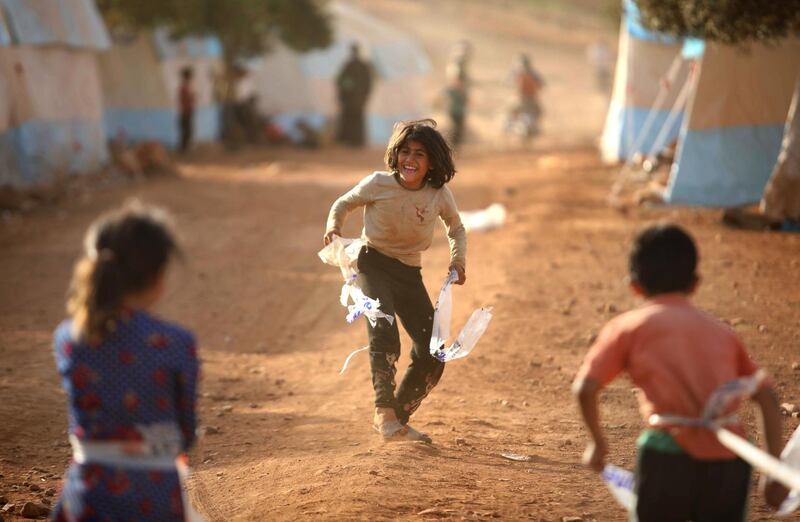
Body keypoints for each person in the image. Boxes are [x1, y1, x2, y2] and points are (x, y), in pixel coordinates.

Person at [573, 224, 788, 521]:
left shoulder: (628, 328)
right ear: (695, 284)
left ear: (634, 286)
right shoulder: (722, 333)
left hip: (665, 455)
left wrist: (598, 443)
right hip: (729, 458)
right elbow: (767, 396)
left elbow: (585, 388)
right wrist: (774, 471)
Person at [52, 202, 199, 521]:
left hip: (86, 496)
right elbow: (185, 433)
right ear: (159, 276)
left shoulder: (68, 338)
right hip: (156, 496)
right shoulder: (176, 342)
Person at [323, 119, 466, 442]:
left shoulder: (438, 193)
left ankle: (397, 420)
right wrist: (334, 226)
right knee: (384, 329)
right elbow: (343, 203)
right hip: (373, 263)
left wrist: (458, 261)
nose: (410, 160)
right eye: (404, 152)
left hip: (408, 272)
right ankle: (383, 410)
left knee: (434, 352)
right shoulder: (378, 183)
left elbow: (456, 228)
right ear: (395, 155)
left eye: (419, 154)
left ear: (432, 162)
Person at [336, 43, 373, 147]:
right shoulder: (349, 65)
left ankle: (357, 142)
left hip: (357, 98)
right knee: (350, 119)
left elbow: (368, 83)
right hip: (351, 98)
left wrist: (364, 95)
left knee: (357, 119)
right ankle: (350, 141)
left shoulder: (362, 66)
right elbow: (342, 81)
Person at [506, 53, 544, 138]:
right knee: (512, 113)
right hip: (522, 99)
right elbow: (541, 84)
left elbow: (541, 84)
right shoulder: (520, 72)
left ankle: (511, 127)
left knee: (537, 112)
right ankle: (510, 127)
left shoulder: (530, 73)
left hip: (528, 99)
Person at [177, 67, 195, 154]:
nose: (190, 78)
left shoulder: (186, 86)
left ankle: (185, 147)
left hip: (188, 110)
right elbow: (184, 99)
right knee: (186, 130)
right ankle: (184, 148)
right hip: (185, 111)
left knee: (187, 129)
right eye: (189, 76)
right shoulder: (184, 87)